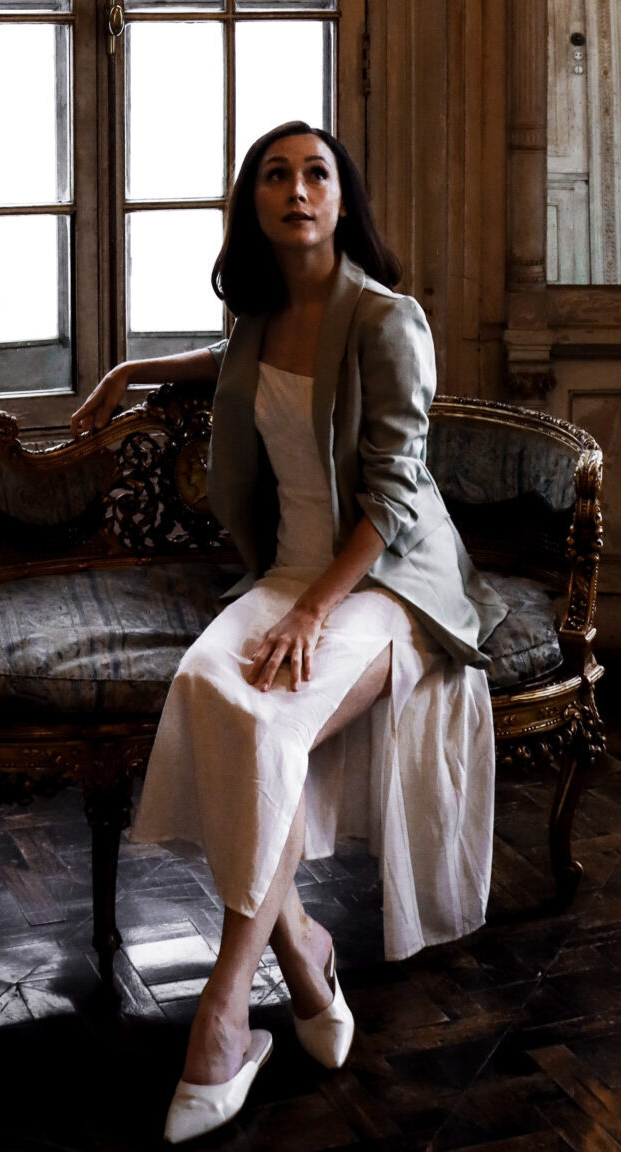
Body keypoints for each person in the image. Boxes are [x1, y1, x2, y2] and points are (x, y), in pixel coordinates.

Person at [70, 121, 507, 1144]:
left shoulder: (387, 321)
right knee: (208, 686)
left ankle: (223, 1017)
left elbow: (395, 499)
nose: (297, 189)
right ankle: (305, 950)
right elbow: (225, 365)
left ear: (341, 200)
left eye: (316, 173)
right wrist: (130, 372)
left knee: (268, 725)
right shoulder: (260, 318)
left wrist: (317, 611)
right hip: (289, 574)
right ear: (255, 204)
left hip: (387, 583)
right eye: (276, 175)